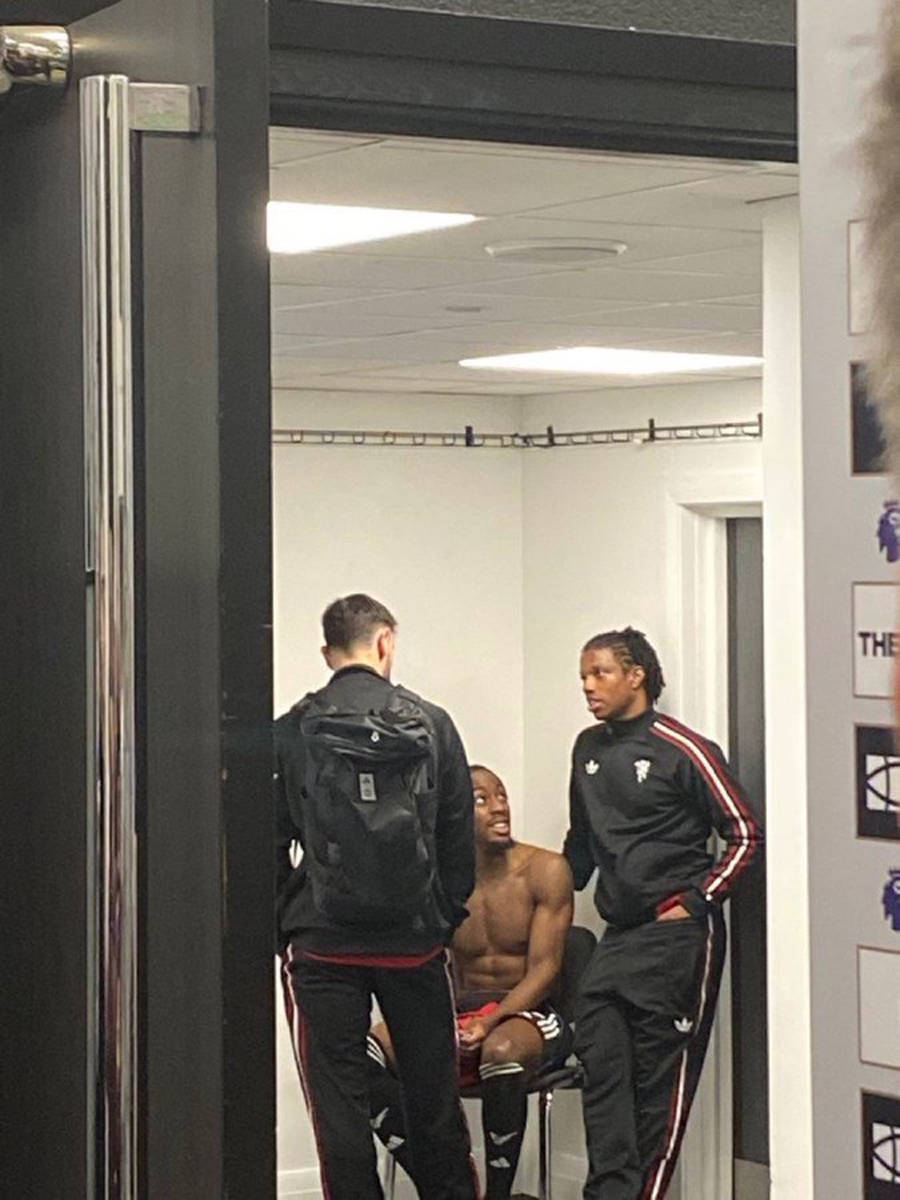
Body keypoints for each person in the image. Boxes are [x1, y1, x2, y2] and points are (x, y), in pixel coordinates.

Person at [275, 594, 479, 1200]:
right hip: (414, 944)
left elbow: (265, 841)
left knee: (337, 1107)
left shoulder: (291, 729)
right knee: (434, 1100)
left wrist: (285, 928)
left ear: (327, 653)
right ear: (386, 641)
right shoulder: (432, 722)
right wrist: (440, 919)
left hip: (322, 945)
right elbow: (458, 837)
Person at [563, 627, 762, 1200]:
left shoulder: (684, 748)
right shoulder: (587, 748)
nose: (588, 686)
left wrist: (698, 900)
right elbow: (580, 845)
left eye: (600, 673)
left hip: (677, 939)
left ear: (636, 676)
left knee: (660, 1087)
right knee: (601, 1064)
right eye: (583, 676)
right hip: (618, 937)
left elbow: (745, 833)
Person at [369, 764, 574, 1200]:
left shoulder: (546, 870)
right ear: (457, 811)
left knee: (500, 1051)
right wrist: (441, 1021)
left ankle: (498, 1194)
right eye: (482, 800)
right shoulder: (440, 880)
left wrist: (491, 1020)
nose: (499, 807)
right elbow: (426, 962)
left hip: (529, 1016)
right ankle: (445, 1184)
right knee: (362, 1052)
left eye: (502, 795)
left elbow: (545, 970)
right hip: (460, 1012)